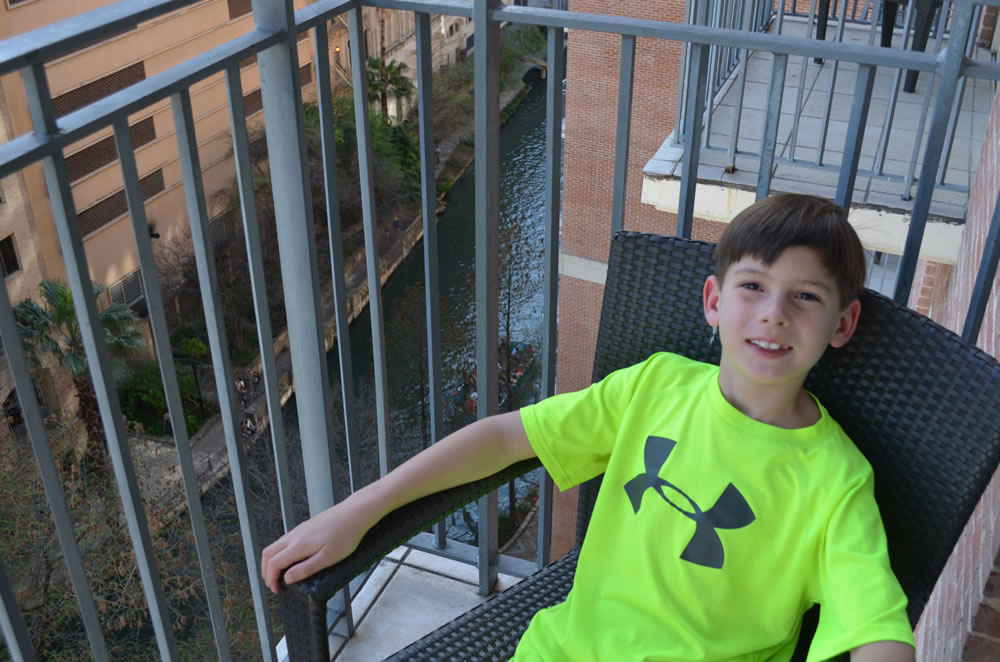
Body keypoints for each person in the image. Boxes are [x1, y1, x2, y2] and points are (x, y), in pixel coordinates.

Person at [261, 194, 915, 661]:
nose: (774, 314)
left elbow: (876, 627)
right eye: (753, 286)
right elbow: (504, 437)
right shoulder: (655, 386)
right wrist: (358, 510)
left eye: (805, 296)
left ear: (842, 324)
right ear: (714, 302)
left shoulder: (835, 480)